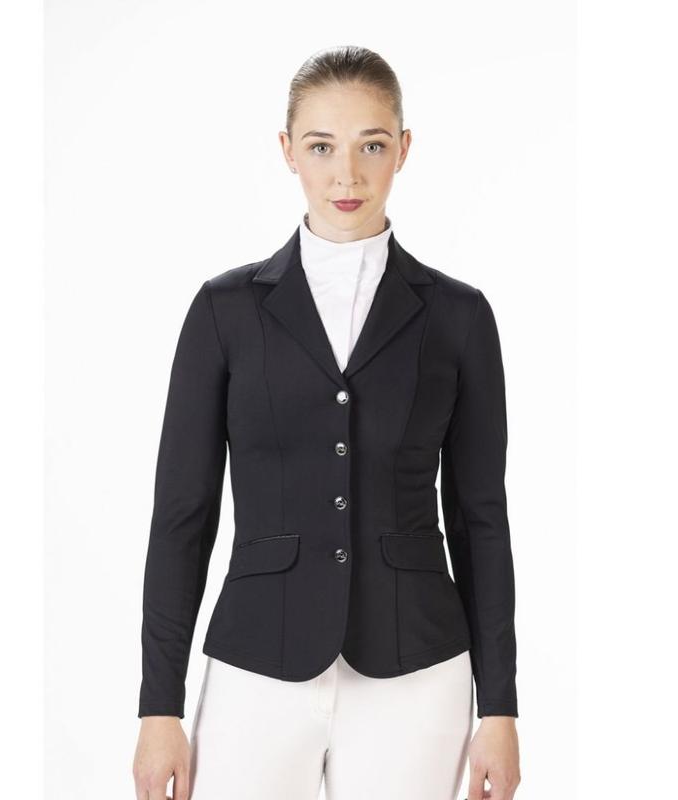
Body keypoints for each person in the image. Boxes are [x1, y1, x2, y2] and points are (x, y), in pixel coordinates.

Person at [132, 45, 521, 800]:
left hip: (417, 669)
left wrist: (499, 706)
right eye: (321, 147)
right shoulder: (224, 311)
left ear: (403, 149)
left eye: (371, 145)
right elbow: (182, 516)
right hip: (257, 662)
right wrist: (159, 705)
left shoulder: (459, 317)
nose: (347, 174)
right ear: (288, 151)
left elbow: (481, 520)